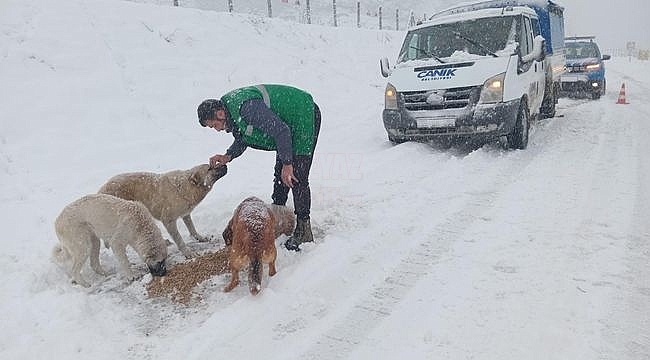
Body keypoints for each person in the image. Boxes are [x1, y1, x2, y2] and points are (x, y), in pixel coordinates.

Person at [197, 84, 321, 251]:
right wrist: (228, 156)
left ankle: (304, 230)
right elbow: (244, 137)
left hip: (303, 115)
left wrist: (288, 164)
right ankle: (279, 219)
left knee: (296, 175)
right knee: (281, 175)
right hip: (287, 126)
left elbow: (281, 131)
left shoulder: (247, 108)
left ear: (220, 114)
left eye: (214, 125)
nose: (217, 130)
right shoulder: (233, 113)